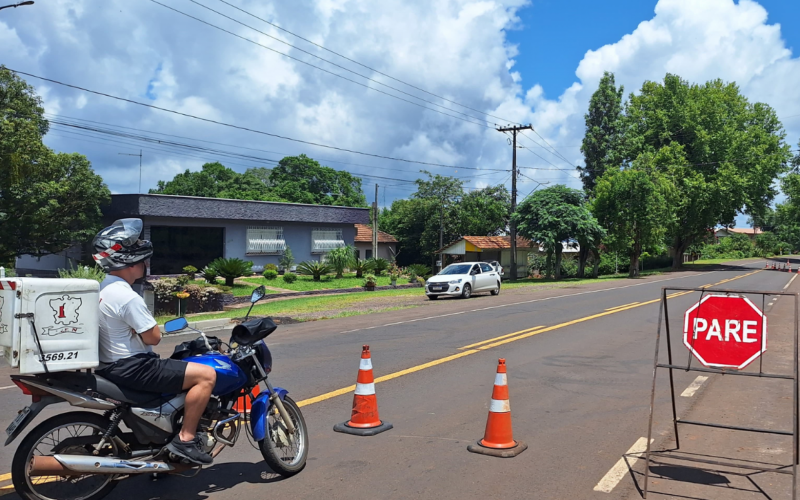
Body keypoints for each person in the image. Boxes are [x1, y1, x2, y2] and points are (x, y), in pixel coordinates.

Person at [92, 218, 216, 465]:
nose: (145, 264)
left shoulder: (103, 288)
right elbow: (154, 337)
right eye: (142, 259)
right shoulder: (126, 296)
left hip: (111, 365)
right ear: (129, 261)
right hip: (134, 367)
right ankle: (186, 439)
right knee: (207, 375)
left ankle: (161, 438)